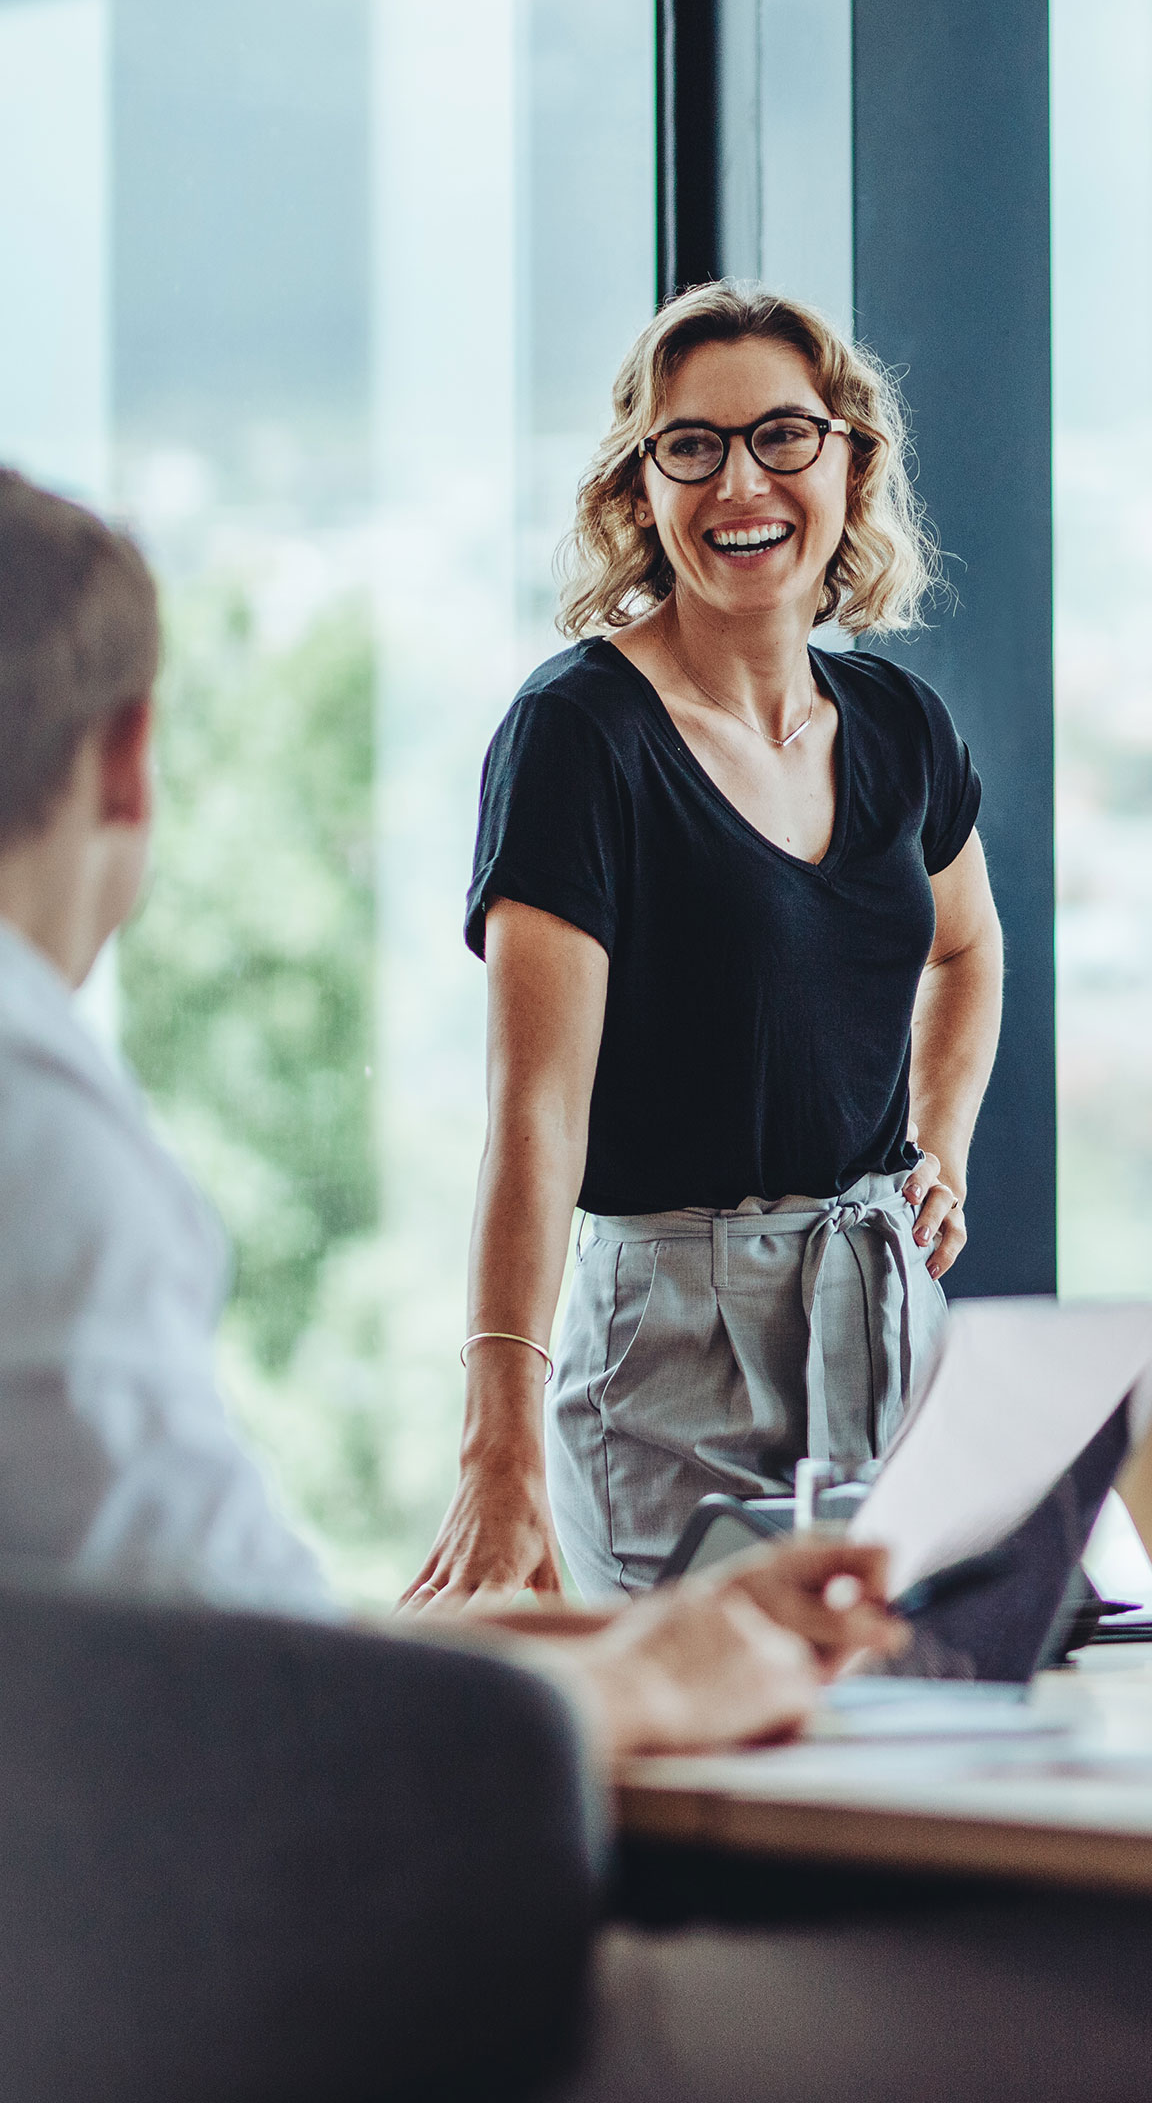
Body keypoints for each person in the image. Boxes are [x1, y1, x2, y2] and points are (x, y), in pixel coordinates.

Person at [0, 465, 1152, 2103]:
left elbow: (160, 1632)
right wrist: (647, 1685)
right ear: (127, 762)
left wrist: (635, 1637)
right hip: (293, 2027)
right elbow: (251, 1724)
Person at [410, 284, 999, 1607]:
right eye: (694, 445)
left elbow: (966, 952)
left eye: (784, 436)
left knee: (905, 1750)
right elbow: (534, 1118)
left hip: (885, 1316)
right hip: (670, 1346)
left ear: (850, 462)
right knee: (708, 1775)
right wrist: (494, 1452)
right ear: (641, 486)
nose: (743, 481)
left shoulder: (901, 725)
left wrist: (940, 1148)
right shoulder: (579, 736)